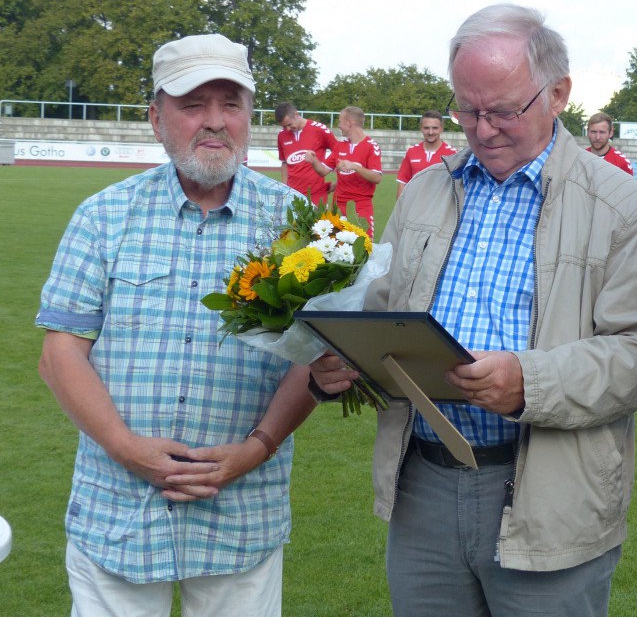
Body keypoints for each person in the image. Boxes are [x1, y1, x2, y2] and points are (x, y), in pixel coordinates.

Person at [309, 4, 637, 616]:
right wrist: (339, 363)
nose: (481, 130)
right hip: (422, 488)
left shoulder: (624, 208)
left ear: (558, 94)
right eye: (467, 109)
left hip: (550, 498)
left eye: (503, 110)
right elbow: (381, 314)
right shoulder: (424, 190)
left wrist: (525, 383)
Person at [36, 34, 316, 616]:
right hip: (118, 510)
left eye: (230, 104)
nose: (214, 122)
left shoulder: (295, 224)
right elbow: (60, 354)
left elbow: (313, 359)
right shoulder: (102, 217)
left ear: (249, 116)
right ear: (156, 118)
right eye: (193, 105)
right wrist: (125, 447)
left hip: (242, 512)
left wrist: (256, 449)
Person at [333, 105, 383, 235]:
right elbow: (322, 170)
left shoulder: (371, 146)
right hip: (338, 206)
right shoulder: (340, 145)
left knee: (363, 249)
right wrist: (313, 160)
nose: (338, 125)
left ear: (349, 123)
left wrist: (355, 166)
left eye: (340, 121)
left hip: (360, 207)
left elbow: (377, 178)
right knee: (333, 250)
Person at [274, 101, 336, 204]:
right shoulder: (281, 135)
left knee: (317, 220)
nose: (288, 129)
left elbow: (339, 152)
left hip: (316, 193)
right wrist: (284, 187)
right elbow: (284, 162)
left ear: (296, 115)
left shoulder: (319, 129)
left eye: (289, 125)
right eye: (284, 126)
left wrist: (336, 179)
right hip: (292, 194)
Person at [395, 109, 457, 197]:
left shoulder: (452, 154)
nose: (430, 132)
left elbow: (457, 186)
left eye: (435, 128)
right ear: (421, 128)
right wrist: (400, 209)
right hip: (415, 206)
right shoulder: (412, 152)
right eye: (426, 128)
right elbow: (403, 183)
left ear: (441, 129)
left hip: (439, 208)